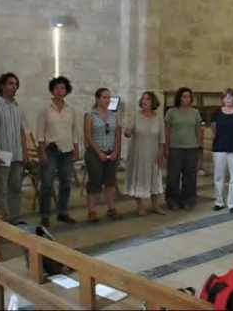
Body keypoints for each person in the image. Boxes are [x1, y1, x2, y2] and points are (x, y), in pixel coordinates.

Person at [36, 76, 79, 227]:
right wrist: (41, 152)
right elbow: (40, 132)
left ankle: (63, 212)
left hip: (67, 150)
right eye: (57, 88)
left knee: (66, 183)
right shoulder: (45, 109)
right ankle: (45, 215)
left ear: (66, 90)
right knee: (47, 183)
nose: (60, 90)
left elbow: (74, 131)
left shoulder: (70, 110)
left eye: (62, 88)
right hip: (51, 149)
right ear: (52, 90)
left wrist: (76, 148)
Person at [0, 73, 28, 223]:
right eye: (11, 83)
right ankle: (1, 219)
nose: (14, 87)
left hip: (16, 154)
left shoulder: (18, 107)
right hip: (2, 153)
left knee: (16, 188)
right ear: (2, 86)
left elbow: (22, 132)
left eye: (16, 84)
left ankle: (15, 217)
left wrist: (25, 153)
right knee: (1, 189)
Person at [124, 91, 166, 216]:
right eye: (143, 99)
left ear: (153, 102)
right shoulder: (136, 116)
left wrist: (161, 153)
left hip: (153, 154)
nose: (144, 101)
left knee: (154, 179)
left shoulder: (158, 118)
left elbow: (162, 138)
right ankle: (140, 206)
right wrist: (127, 132)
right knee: (140, 179)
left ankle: (155, 205)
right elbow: (128, 132)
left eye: (147, 99)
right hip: (139, 154)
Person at [84, 88, 122, 222]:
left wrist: (116, 151)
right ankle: (92, 211)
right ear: (97, 99)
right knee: (95, 182)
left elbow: (117, 135)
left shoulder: (113, 116)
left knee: (110, 182)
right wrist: (99, 152)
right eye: (105, 97)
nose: (107, 100)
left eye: (109, 98)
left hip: (111, 152)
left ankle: (111, 209)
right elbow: (88, 136)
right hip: (95, 153)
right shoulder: (90, 115)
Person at [165, 87, 203, 210]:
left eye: (188, 96)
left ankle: (188, 199)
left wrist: (199, 146)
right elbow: (167, 131)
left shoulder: (195, 112)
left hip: (191, 148)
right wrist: (166, 147)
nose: (186, 99)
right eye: (184, 96)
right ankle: (172, 200)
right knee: (173, 176)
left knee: (190, 176)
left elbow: (198, 130)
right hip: (175, 147)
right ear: (179, 98)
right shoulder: (171, 112)